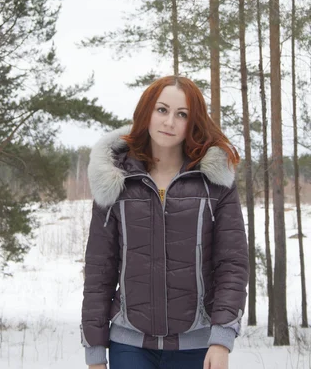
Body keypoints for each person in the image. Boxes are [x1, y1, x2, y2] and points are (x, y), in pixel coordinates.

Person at [81, 75, 249, 369]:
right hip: (129, 345)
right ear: (147, 112)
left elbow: (232, 265)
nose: (170, 122)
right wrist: (95, 350)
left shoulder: (215, 183)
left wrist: (222, 339)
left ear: (192, 122)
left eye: (181, 114)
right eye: (162, 110)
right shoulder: (115, 179)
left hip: (197, 345)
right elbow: (99, 270)